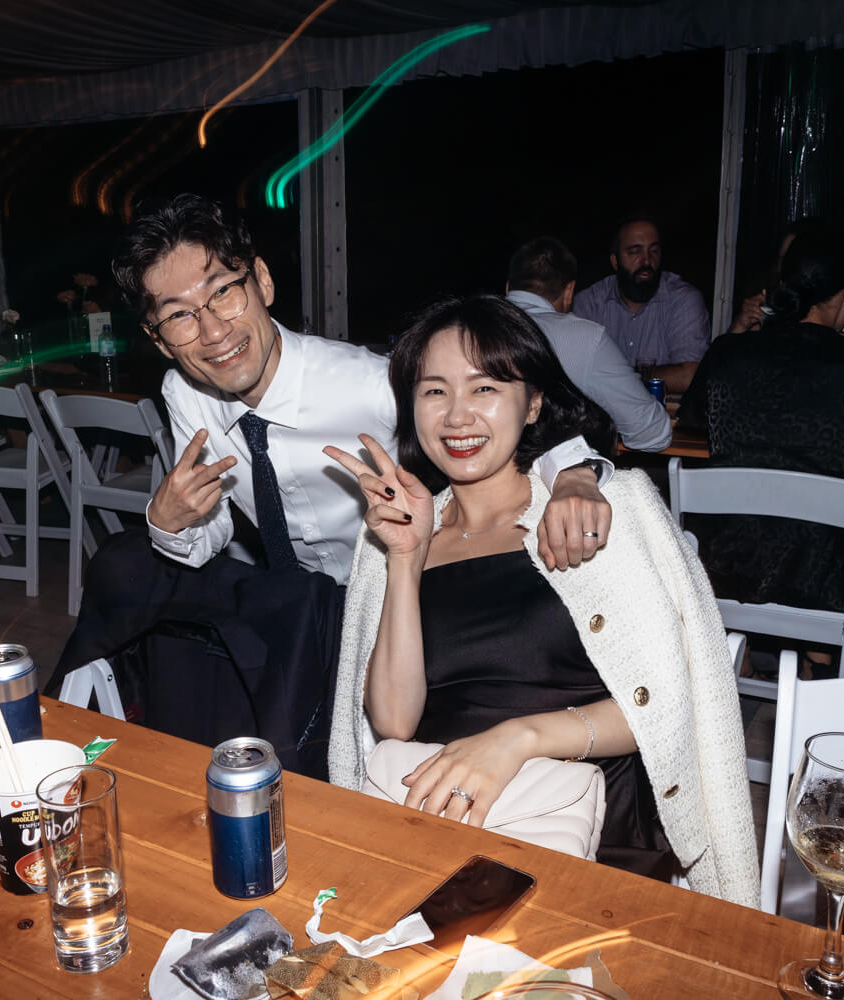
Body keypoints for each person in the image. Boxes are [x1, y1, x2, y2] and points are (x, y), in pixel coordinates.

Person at [324, 294, 758, 906]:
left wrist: (517, 739)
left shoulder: (603, 512)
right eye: (434, 391)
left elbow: (672, 705)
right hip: (442, 821)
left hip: (594, 832)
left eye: (485, 388)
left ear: (532, 403)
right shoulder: (394, 538)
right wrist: (404, 558)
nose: (457, 416)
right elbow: (394, 723)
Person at [113, 194, 615, 581]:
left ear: (262, 281)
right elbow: (211, 529)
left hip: (400, 589)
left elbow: (508, 414)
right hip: (294, 608)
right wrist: (167, 520)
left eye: (223, 291)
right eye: (179, 315)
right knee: (122, 571)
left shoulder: (368, 383)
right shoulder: (186, 394)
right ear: (158, 340)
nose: (213, 331)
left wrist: (573, 474)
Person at [678, 226, 844, 622]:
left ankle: (740, 650)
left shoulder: (727, 354)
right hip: (824, 581)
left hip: (725, 565)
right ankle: (819, 653)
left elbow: (706, 432)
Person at [504, 237, 672, 452]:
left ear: (508, 288)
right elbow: (652, 434)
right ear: (569, 292)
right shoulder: (583, 338)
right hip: (548, 470)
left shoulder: (468, 327)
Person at [573, 214, 710, 393]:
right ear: (615, 261)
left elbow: (689, 377)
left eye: (654, 251)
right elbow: (576, 375)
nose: (647, 261)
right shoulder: (590, 303)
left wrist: (615, 378)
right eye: (635, 252)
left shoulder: (683, 300)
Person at [728, 219, 844, 348]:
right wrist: (740, 325)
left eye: (796, 260)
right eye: (784, 260)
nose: (788, 269)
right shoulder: (771, 308)